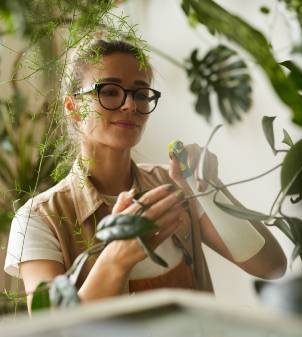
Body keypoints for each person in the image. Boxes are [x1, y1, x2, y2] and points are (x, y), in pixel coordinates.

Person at [4, 36, 286, 310]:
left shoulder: (174, 187)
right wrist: (117, 257)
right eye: (110, 91)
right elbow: (51, 331)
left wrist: (208, 187)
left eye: (141, 93)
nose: (130, 105)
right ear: (73, 107)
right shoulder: (40, 218)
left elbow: (271, 266)